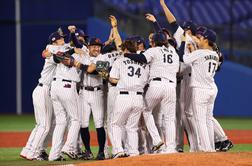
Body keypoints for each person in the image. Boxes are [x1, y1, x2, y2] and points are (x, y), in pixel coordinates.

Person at [125, 32, 180, 153]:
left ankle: (156, 140)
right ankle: (171, 148)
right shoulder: (174, 53)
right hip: (171, 86)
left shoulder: (154, 50)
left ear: (154, 42)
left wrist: (127, 55)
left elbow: (142, 59)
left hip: (156, 85)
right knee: (170, 118)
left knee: (145, 110)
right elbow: (177, 70)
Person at [179, 28, 219, 152]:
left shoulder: (200, 53)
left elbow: (182, 58)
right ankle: (211, 147)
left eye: (201, 38)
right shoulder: (215, 54)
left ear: (206, 40)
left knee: (200, 120)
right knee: (208, 119)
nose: (199, 40)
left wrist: (183, 42)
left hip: (200, 89)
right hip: (211, 88)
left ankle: (206, 149)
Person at [48, 31, 85, 161]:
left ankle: (54, 155)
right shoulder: (75, 50)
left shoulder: (60, 49)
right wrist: (75, 46)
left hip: (55, 86)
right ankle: (68, 147)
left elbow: (51, 53)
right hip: (67, 86)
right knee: (76, 120)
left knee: (61, 122)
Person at [109, 39, 149, 158]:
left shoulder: (120, 60)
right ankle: (133, 153)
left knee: (116, 124)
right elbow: (145, 81)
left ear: (125, 49)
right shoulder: (143, 63)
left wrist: (119, 80)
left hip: (124, 96)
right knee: (132, 127)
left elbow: (112, 79)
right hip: (138, 98)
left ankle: (118, 150)